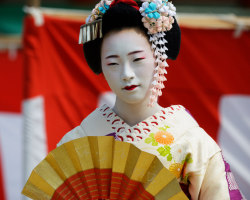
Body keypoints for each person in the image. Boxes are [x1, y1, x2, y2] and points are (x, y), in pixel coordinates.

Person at [57, 0, 243, 199]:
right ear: (101, 67)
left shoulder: (192, 141)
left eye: (137, 59)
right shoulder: (78, 141)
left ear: (158, 57)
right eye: (113, 63)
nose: (126, 74)